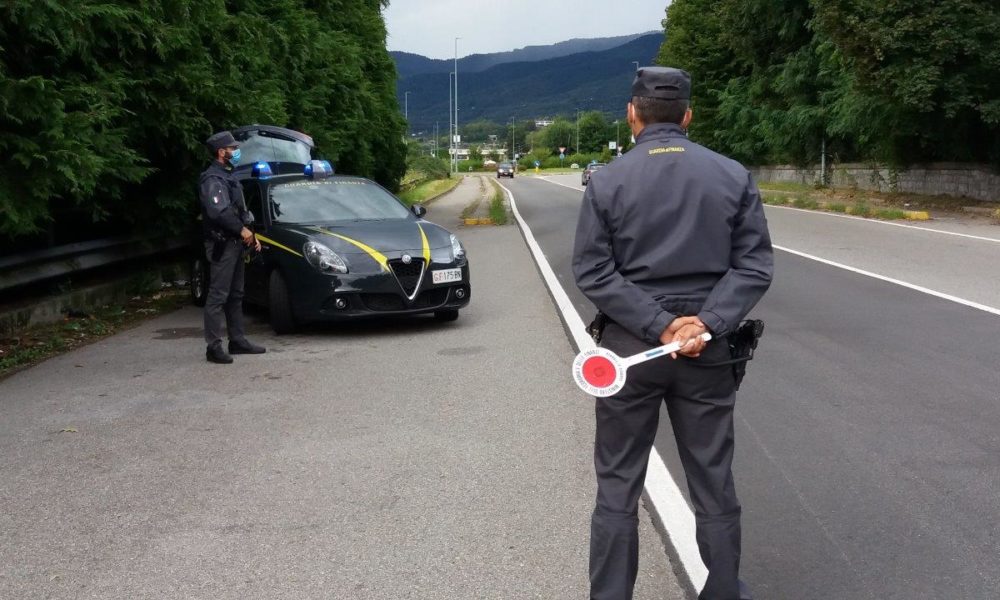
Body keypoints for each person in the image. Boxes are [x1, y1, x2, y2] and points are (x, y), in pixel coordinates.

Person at [572, 67, 774, 600]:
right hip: (706, 350)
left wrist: (658, 324)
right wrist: (704, 323)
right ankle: (724, 590)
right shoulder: (732, 175)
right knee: (712, 477)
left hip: (630, 351)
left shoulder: (608, 180)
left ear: (632, 115)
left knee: (618, 482)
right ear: (687, 115)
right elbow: (754, 266)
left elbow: (593, 270)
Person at [198, 130, 266, 364]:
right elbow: (219, 212)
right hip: (222, 244)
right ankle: (213, 347)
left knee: (236, 294)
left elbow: (239, 211)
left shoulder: (229, 176)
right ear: (221, 152)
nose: (237, 152)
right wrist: (242, 230)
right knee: (218, 295)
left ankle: (237, 340)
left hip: (236, 243)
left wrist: (251, 234)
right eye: (232, 149)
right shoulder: (212, 179)